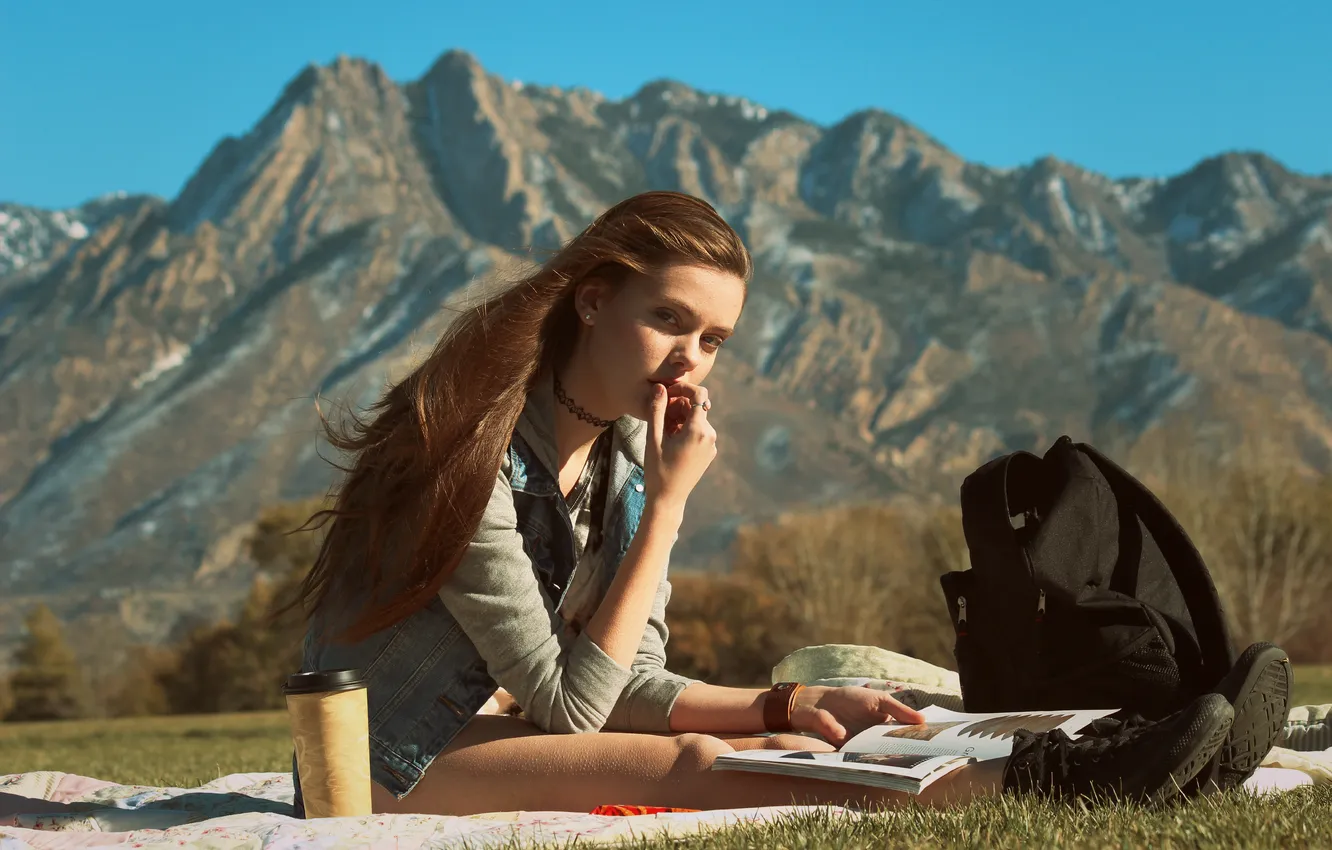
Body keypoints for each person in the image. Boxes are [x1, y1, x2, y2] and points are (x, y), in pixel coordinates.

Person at [289, 191, 1261, 816]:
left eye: (712, 339)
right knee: (694, 766)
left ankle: (1130, 740)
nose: (689, 360)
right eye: (668, 319)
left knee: (797, 735)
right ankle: (1062, 779)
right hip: (381, 760)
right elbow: (574, 711)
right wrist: (670, 508)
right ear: (593, 301)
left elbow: (631, 676)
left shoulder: (628, 456)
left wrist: (786, 701)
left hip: (498, 722)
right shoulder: (471, 455)